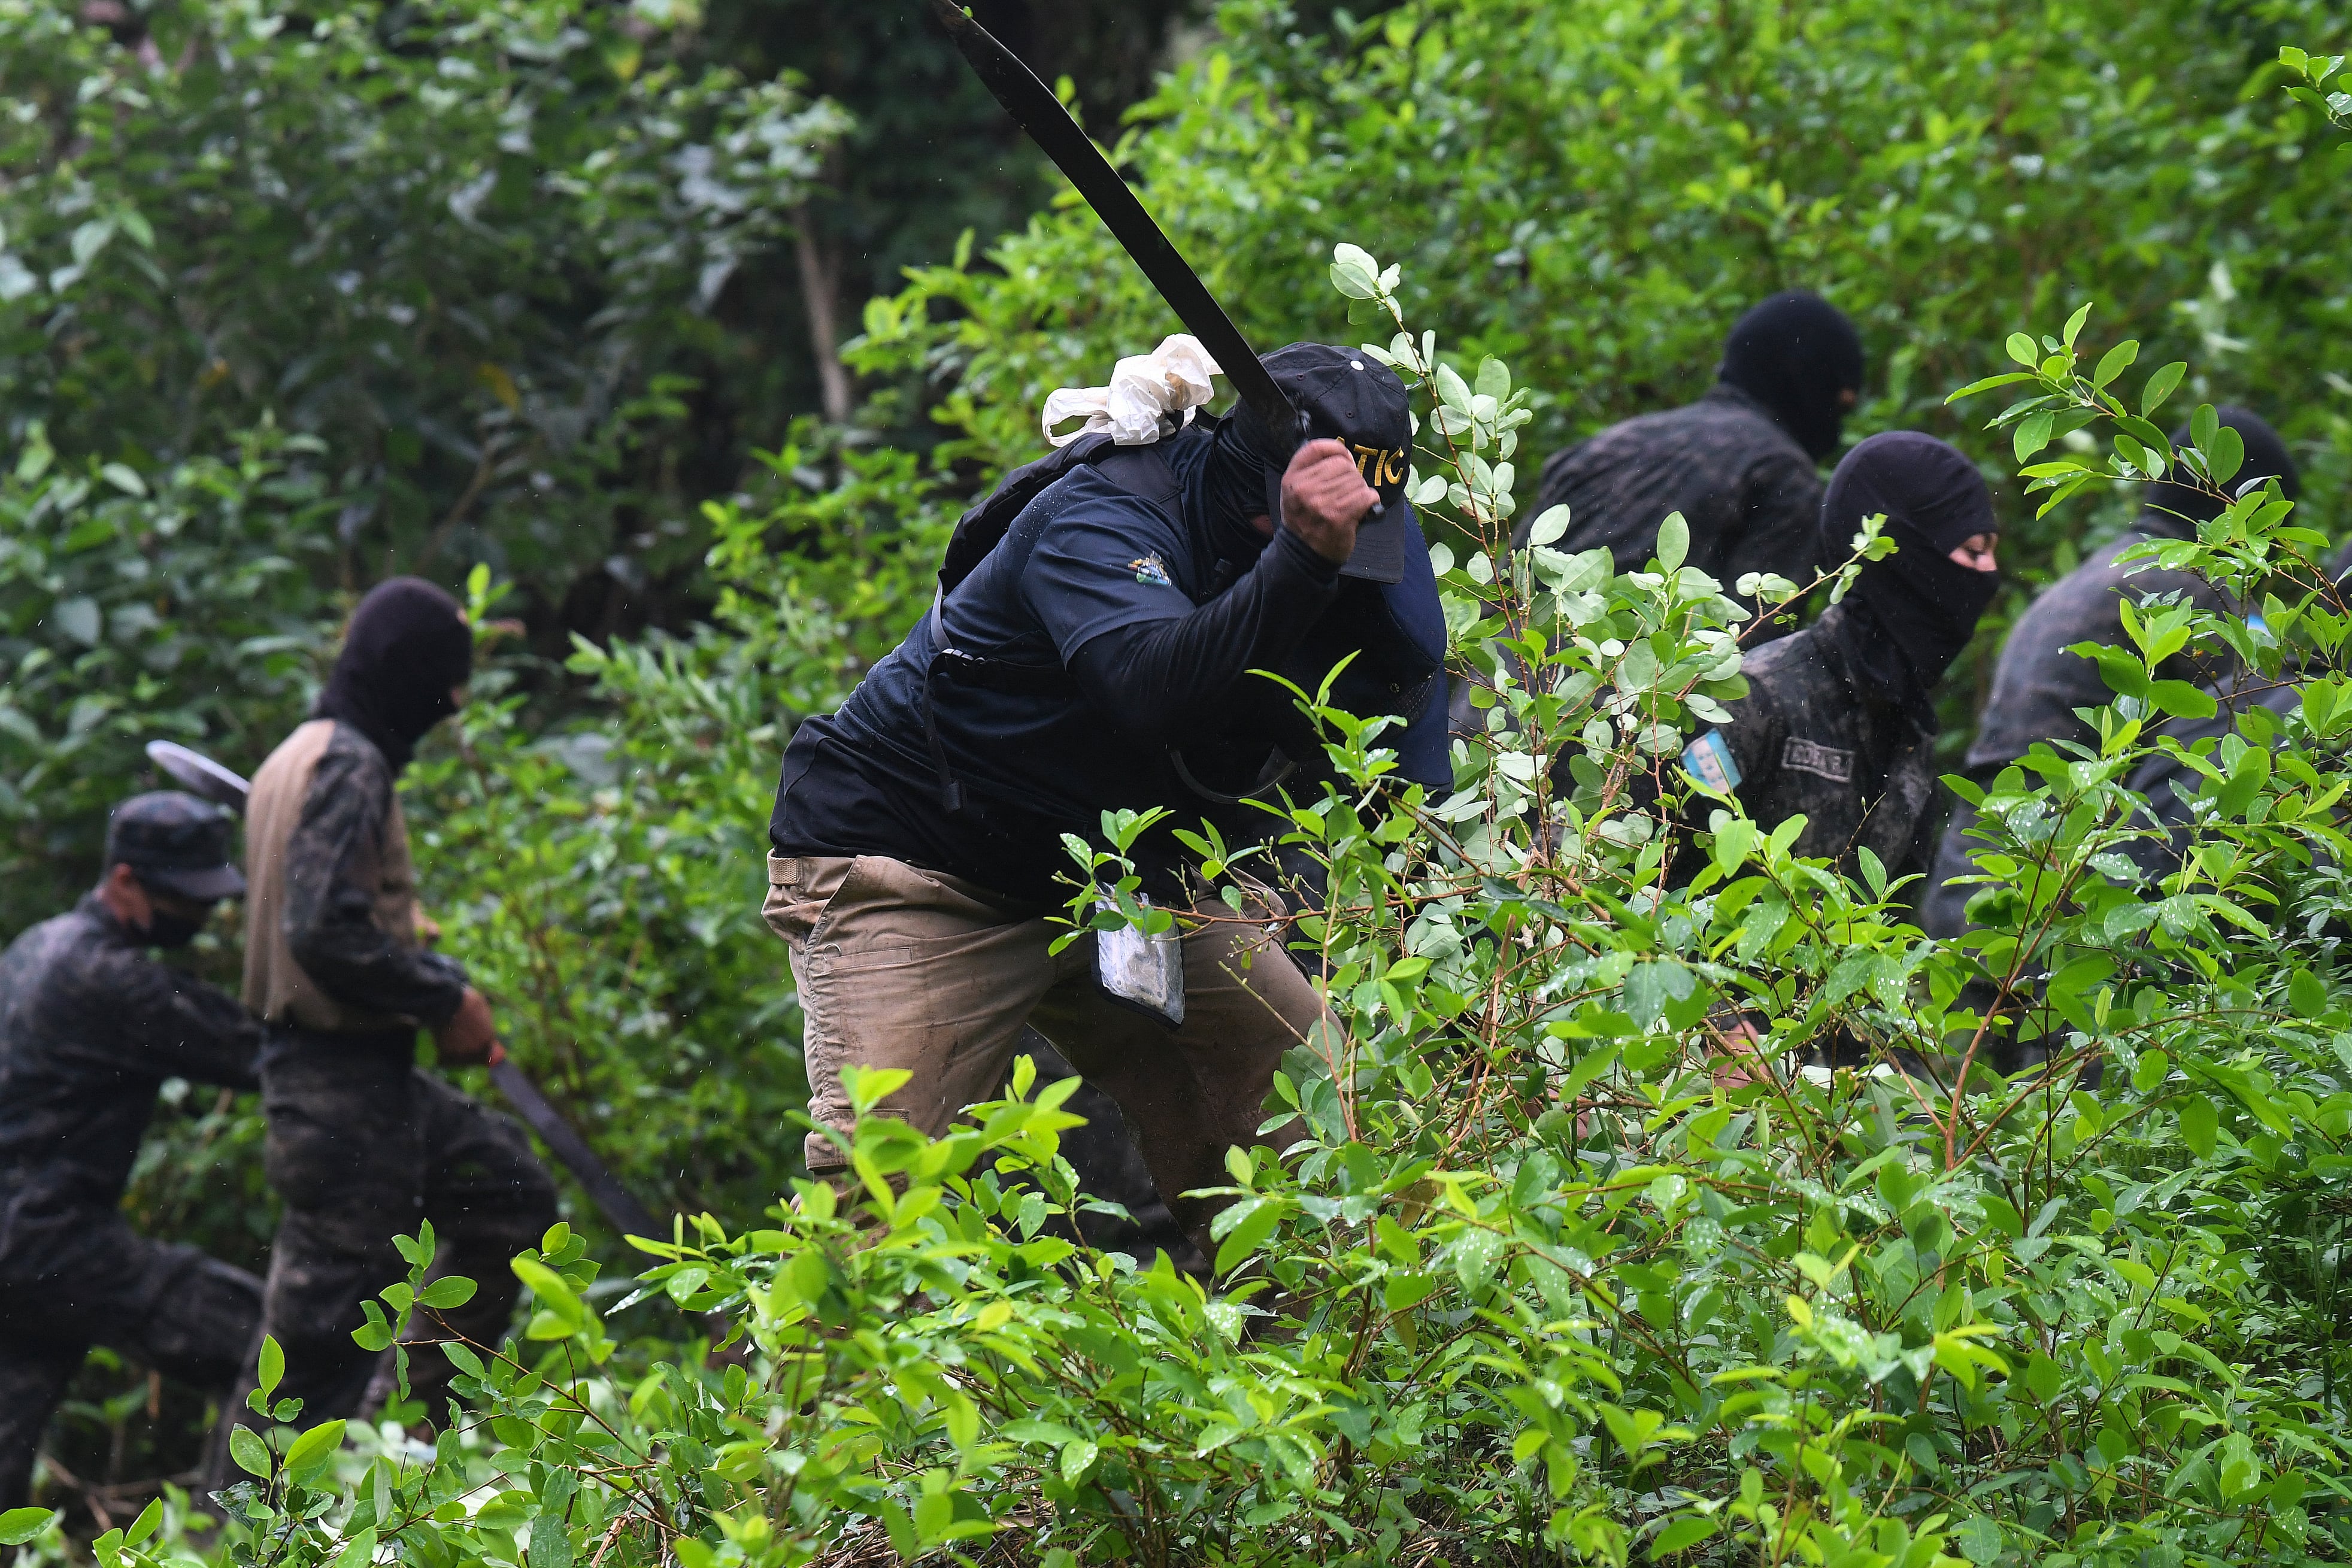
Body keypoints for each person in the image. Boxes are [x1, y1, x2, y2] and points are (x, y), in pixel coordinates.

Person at [765, 342, 1447, 1262]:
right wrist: (1299, 561)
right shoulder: (1101, 516)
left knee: (1336, 1136)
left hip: (1121, 880)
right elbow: (1150, 688)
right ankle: (827, 1357)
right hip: (922, 867)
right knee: (877, 1209)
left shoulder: (1349, 552)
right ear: (1253, 486)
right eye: (1296, 529)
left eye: (1356, 541)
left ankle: (1300, 1350)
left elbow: (1403, 759)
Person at [229, 578, 554, 1433]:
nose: (448, 709)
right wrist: (445, 996)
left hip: (353, 1081)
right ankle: (241, 1515)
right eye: (443, 688)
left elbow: (324, 912)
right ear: (407, 675)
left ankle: (413, 1437)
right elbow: (321, 931)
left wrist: (403, 944)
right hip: (336, 1093)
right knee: (304, 1367)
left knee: (509, 1194)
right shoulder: (349, 764)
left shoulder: (298, 752)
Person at [1920, 408, 2300, 936]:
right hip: (2052, 897)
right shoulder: (2195, 587)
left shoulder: (2103, 570)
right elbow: (2282, 704)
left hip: (1974, 871)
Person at [0, 793, 264, 1510]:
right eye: (184, 898)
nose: (200, 914)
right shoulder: (110, 980)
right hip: (53, 1241)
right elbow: (255, 1051)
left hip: (21, 1244)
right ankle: (238, 1546)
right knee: (271, 1348)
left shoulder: (38, 945)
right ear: (124, 881)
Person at [1670, 432, 2001, 881]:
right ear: (1903, 551)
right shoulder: (1754, 698)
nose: (1989, 573)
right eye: (1974, 551)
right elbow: (1649, 880)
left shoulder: (1909, 730)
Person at [1519, 290, 1866, 635]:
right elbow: (1745, 647)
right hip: (1623, 673)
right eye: (1841, 403)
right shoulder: (1784, 477)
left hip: (1503, 666)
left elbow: (1504, 592)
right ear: (1807, 380)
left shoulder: (1607, 445)